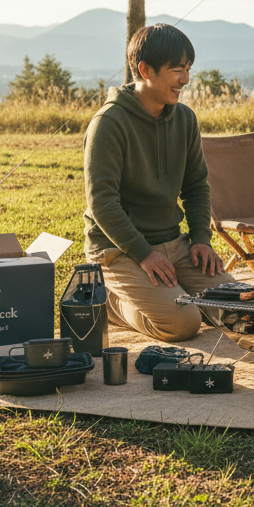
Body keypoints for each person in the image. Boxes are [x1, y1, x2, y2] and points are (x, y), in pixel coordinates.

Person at [82, 24, 235, 342]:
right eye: (177, 69)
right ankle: (112, 303)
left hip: (174, 246)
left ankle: (170, 291)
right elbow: (102, 203)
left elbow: (196, 187)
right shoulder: (108, 124)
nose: (185, 79)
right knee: (183, 323)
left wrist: (201, 240)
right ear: (144, 69)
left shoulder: (185, 119)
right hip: (120, 250)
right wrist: (143, 253)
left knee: (238, 310)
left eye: (188, 69)